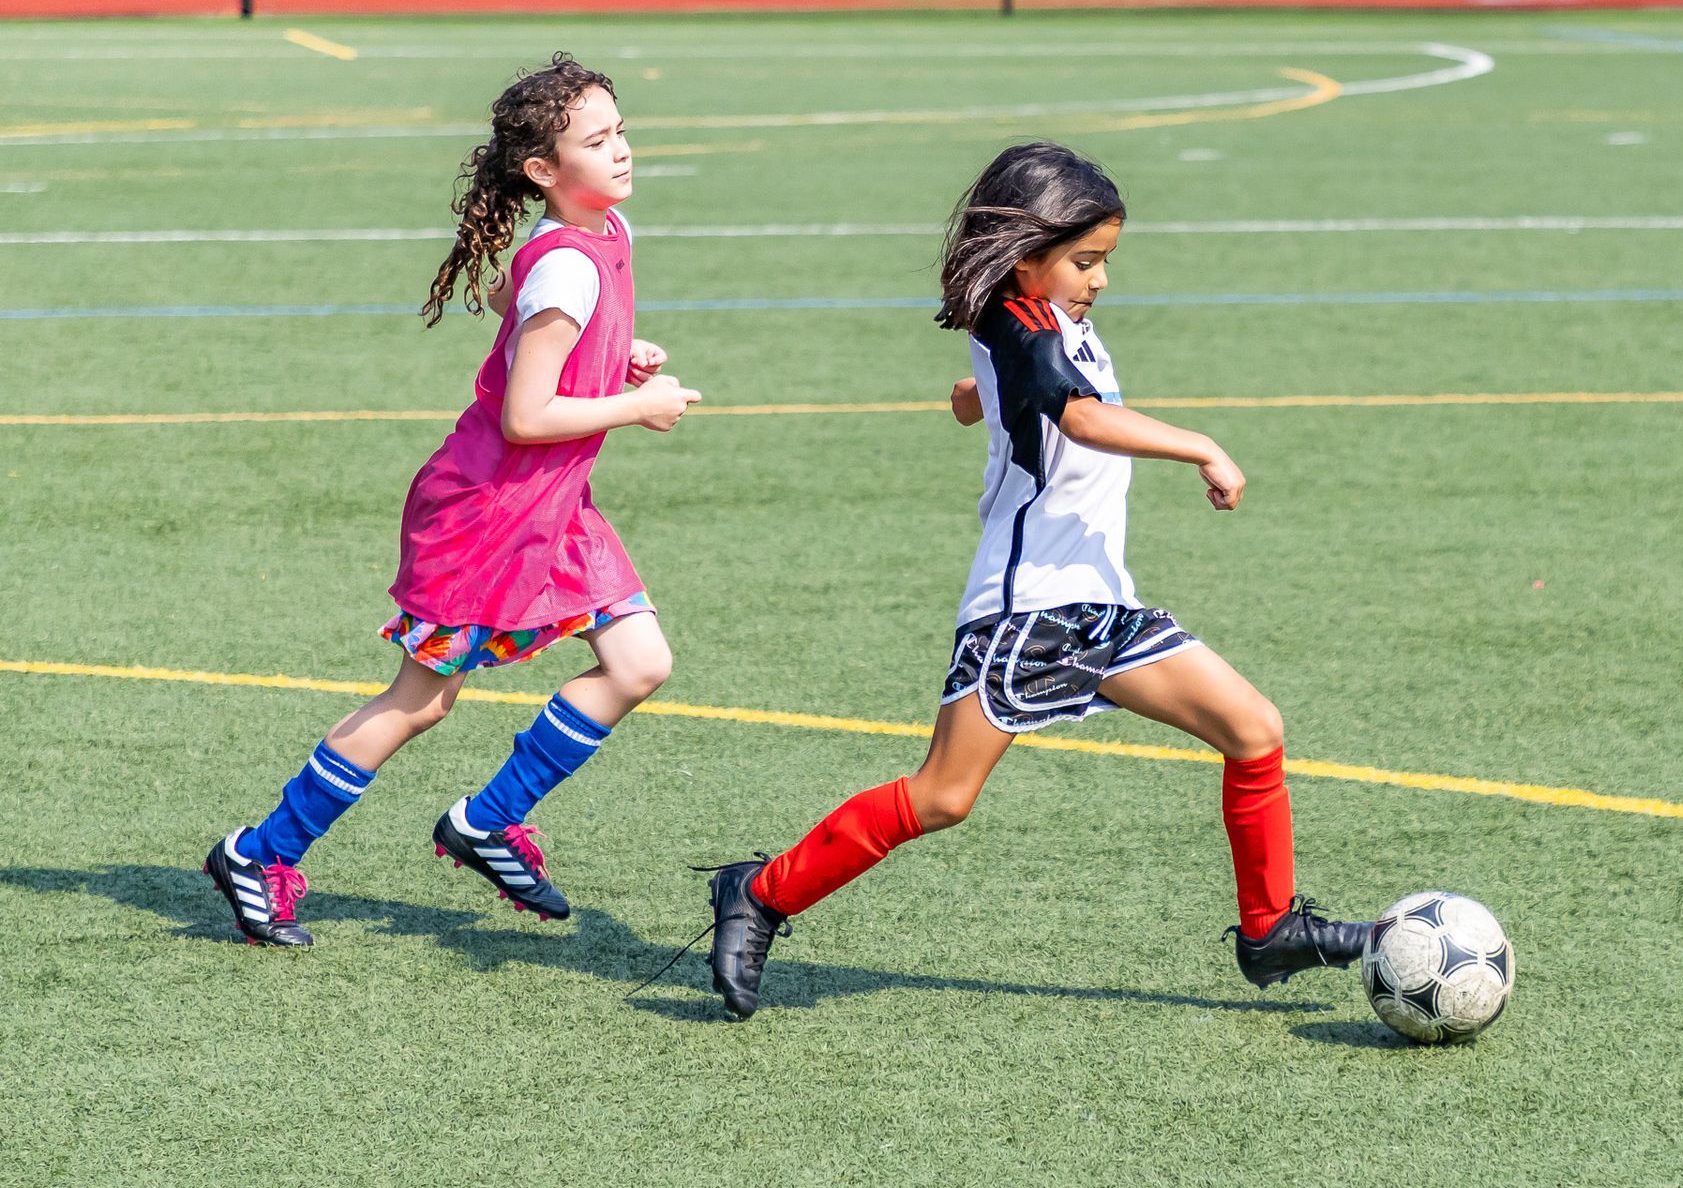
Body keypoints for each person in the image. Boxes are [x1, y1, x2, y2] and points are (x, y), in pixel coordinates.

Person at [699, 141, 1370, 1018]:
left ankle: (1269, 929)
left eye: (1105, 262)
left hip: (1101, 604)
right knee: (942, 795)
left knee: (1253, 730)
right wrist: (1202, 444)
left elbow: (1016, 383)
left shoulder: (1044, 319)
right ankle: (761, 891)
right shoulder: (1018, 319)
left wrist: (976, 393)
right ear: (1026, 257)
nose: (1098, 280)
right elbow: (1082, 418)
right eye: (1085, 262)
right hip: (1029, 610)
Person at [202, 54, 702, 947]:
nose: (621, 150)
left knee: (638, 663)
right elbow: (525, 412)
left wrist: (614, 355)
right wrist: (634, 405)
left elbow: (523, 319)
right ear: (544, 172)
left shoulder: (605, 235)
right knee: (422, 700)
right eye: (598, 141)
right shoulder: (569, 269)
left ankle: (486, 821)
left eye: (620, 129)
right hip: (486, 515)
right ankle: (259, 850)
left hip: (551, 508)